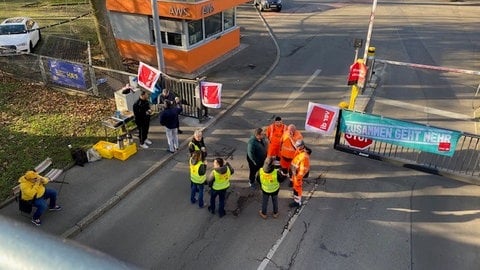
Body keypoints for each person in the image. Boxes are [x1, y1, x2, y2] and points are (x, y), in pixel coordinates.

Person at [289, 140, 310, 208]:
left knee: (297, 188)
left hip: (297, 175)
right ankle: (296, 198)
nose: (296, 147)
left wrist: (298, 178)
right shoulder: (300, 151)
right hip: (295, 173)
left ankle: (297, 202)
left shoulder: (303, 156)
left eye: (297, 146)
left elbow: (302, 169)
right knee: (295, 188)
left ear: (302, 146)